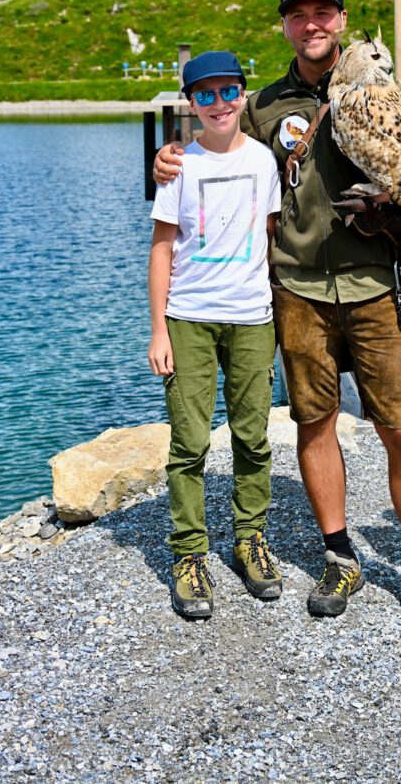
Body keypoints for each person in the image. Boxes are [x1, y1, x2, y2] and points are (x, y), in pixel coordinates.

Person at [155, 0, 401, 632]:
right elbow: (221, 152)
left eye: (323, 12)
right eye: (298, 15)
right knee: (314, 424)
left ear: (342, 20)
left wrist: (396, 209)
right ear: (285, 27)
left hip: (375, 284)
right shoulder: (265, 106)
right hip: (296, 290)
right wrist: (167, 158)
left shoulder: (379, 91)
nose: (311, 24)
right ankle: (339, 556)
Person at [148, 50, 283, 620]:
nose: (219, 103)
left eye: (229, 91)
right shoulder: (180, 166)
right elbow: (161, 249)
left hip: (252, 318)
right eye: (205, 94)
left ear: (243, 94)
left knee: (253, 437)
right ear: (191, 103)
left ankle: (250, 540)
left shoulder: (265, 162)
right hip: (189, 318)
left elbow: (269, 237)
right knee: (190, 443)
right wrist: (158, 329)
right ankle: (188, 553)